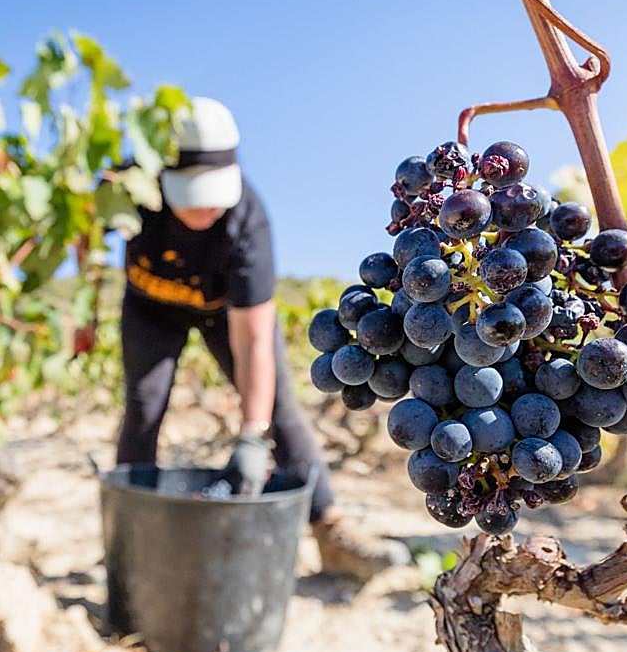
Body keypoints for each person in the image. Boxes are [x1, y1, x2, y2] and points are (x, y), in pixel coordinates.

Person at [115, 96, 408, 581]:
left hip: (222, 314)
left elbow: (252, 340)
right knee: (143, 407)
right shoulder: (129, 185)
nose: (206, 207)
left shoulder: (248, 224)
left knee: (277, 409)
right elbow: (83, 227)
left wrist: (251, 435)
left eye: (213, 193)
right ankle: (128, 541)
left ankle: (330, 530)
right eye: (192, 193)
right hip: (151, 308)